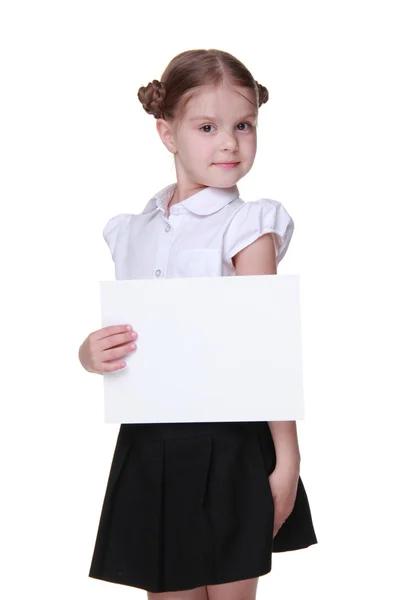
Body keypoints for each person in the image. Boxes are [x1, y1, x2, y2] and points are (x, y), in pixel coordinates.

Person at [80, 48, 318, 599]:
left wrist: (288, 459)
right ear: (168, 133)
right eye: (207, 127)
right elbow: (129, 337)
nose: (229, 142)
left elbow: (268, 345)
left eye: (244, 125)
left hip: (231, 444)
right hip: (152, 444)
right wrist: (90, 355)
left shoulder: (248, 225)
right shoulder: (132, 230)